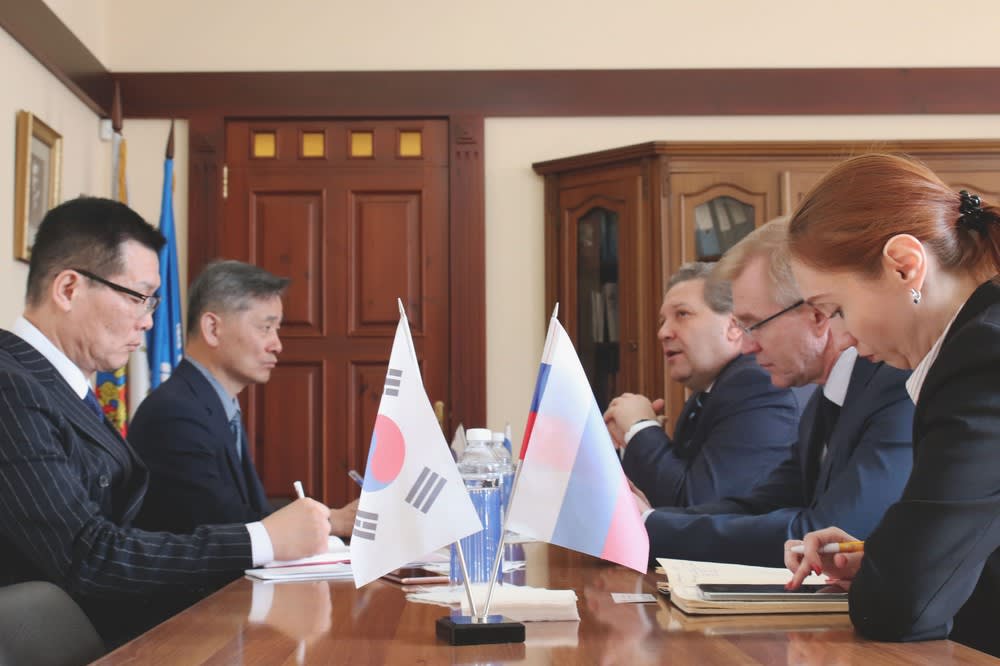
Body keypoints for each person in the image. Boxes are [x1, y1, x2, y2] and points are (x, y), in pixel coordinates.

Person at [0, 197, 330, 646]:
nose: (149, 322)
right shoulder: (11, 387)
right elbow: (88, 554)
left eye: (153, 302)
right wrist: (263, 540)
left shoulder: (59, 386)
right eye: (138, 298)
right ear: (69, 289)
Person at [782, 153, 1000, 657]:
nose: (840, 338)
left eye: (836, 309)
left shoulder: (982, 359)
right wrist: (882, 559)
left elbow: (901, 607)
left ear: (905, 265)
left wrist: (893, 572)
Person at [637, 218, 914, 566]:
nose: (747, 346)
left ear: (817, 316)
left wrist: (650, 527)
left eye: (754, 325)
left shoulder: (896, 389)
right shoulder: (825, 400)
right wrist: (649, 521)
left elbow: (827, 533)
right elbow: (760, 505)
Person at [130, 261, 357, 536]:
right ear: (213, 329)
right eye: (265, 328)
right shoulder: (175, 414)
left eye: (276, 329)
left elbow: (246, 510)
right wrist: (333, 521)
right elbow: (223, 526)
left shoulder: (213, 405)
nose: (277, 345)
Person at [603, 262, 804, 508]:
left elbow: (699, 505)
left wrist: (640, 427)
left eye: (682, 314)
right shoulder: (704, 396)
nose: (663, 333)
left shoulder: (756, 384)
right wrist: (633, 439)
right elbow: (670, 504)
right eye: (662, 321)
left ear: (734, 327)